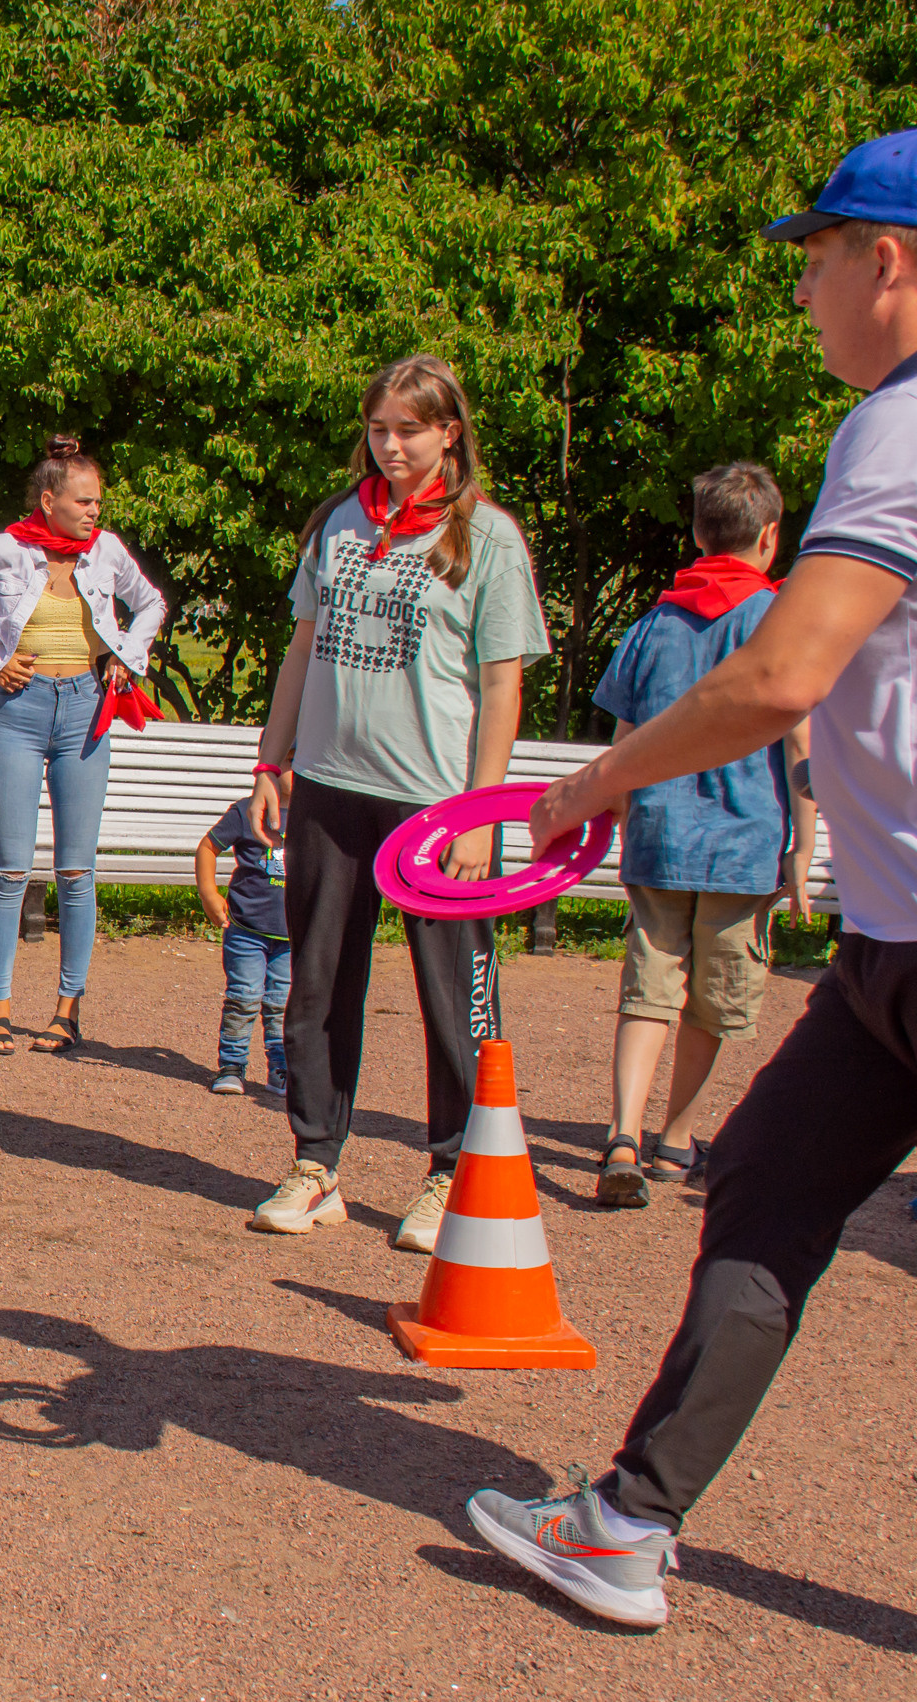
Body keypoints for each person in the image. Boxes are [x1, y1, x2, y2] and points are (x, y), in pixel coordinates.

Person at [466, 132, 917, 1630]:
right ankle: (625, 1523)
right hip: (892, 940)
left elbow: (782, 675)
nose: (802, 289)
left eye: (816, 255)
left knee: (771, 1186)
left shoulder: (900, 428)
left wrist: (592, 781)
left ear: (889, 261)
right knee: (769, 1177)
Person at [244, 355, 549, 1254]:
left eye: (408, 431)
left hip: (435, 808)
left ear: (449, 431)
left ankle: (451, 1170)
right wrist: (271, 761)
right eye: (378, 429)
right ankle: (315, 1163)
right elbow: (302, 648)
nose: (390, 447)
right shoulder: (339, 523)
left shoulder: (487, 539)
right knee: (318, 987)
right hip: (331, 790)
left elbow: (502, 689)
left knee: (450, 997)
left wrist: (483, 813)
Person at [588, 462, 819, 1208]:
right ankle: (675, 1139)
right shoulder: (780, 622)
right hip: (744, 843)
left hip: (659, 832)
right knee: (714, 999)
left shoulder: (655, 622)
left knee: (648, 986)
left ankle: (621, 1131)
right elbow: (799, 742)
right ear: (770, 538)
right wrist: (803, 846)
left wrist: (617, 807)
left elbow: (623, 734)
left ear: (695, 534)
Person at [0, 434, 167, 1056]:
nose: (94, 513)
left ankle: (67, 1010)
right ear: (49, 499)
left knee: (77, 871)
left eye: (98, 503)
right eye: (83, 502)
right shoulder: (4, 549)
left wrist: (124, 656)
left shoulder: (105, 552)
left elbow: (151, 603)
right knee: (9, 868)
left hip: (86, 713)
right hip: (19, 715)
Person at [196, 779, 290, 1097]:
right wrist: (209, 894)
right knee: (243, 997)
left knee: (282, 1003)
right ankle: (231, 1067)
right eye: (288, 759)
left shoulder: (317, 814)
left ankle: (281, 1069)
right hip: (246, 929)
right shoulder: (246, 810)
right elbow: (208, 847)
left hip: (293, 935)